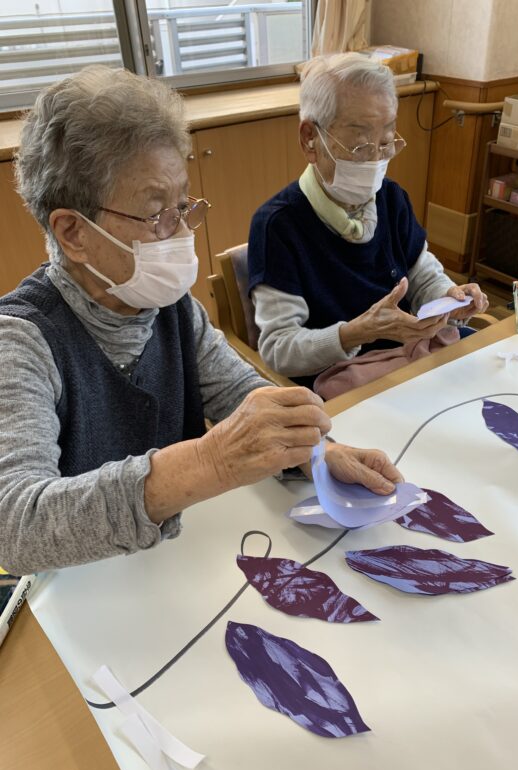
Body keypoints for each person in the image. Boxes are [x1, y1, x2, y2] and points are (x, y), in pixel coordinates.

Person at [0, 66, 403, 576]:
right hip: (83, 592)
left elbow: (237, 391)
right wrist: (210, 461)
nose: (180, 233)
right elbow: (15, 525)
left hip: (177, 567)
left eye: (182, 206)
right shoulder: (21, 340)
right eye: (156, 215)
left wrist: (318, 452)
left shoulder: (169, 306)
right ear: (73, 233)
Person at [248, 53, 489, 392]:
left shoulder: (391, 198)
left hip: (411, 359)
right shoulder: (278, 226)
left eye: (386, 143)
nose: (375, 160)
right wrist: (357, 333)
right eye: (359, 146)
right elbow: (279, 349)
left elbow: (422, 274)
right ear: (310, 139)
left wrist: (450, 296)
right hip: (347, 381)